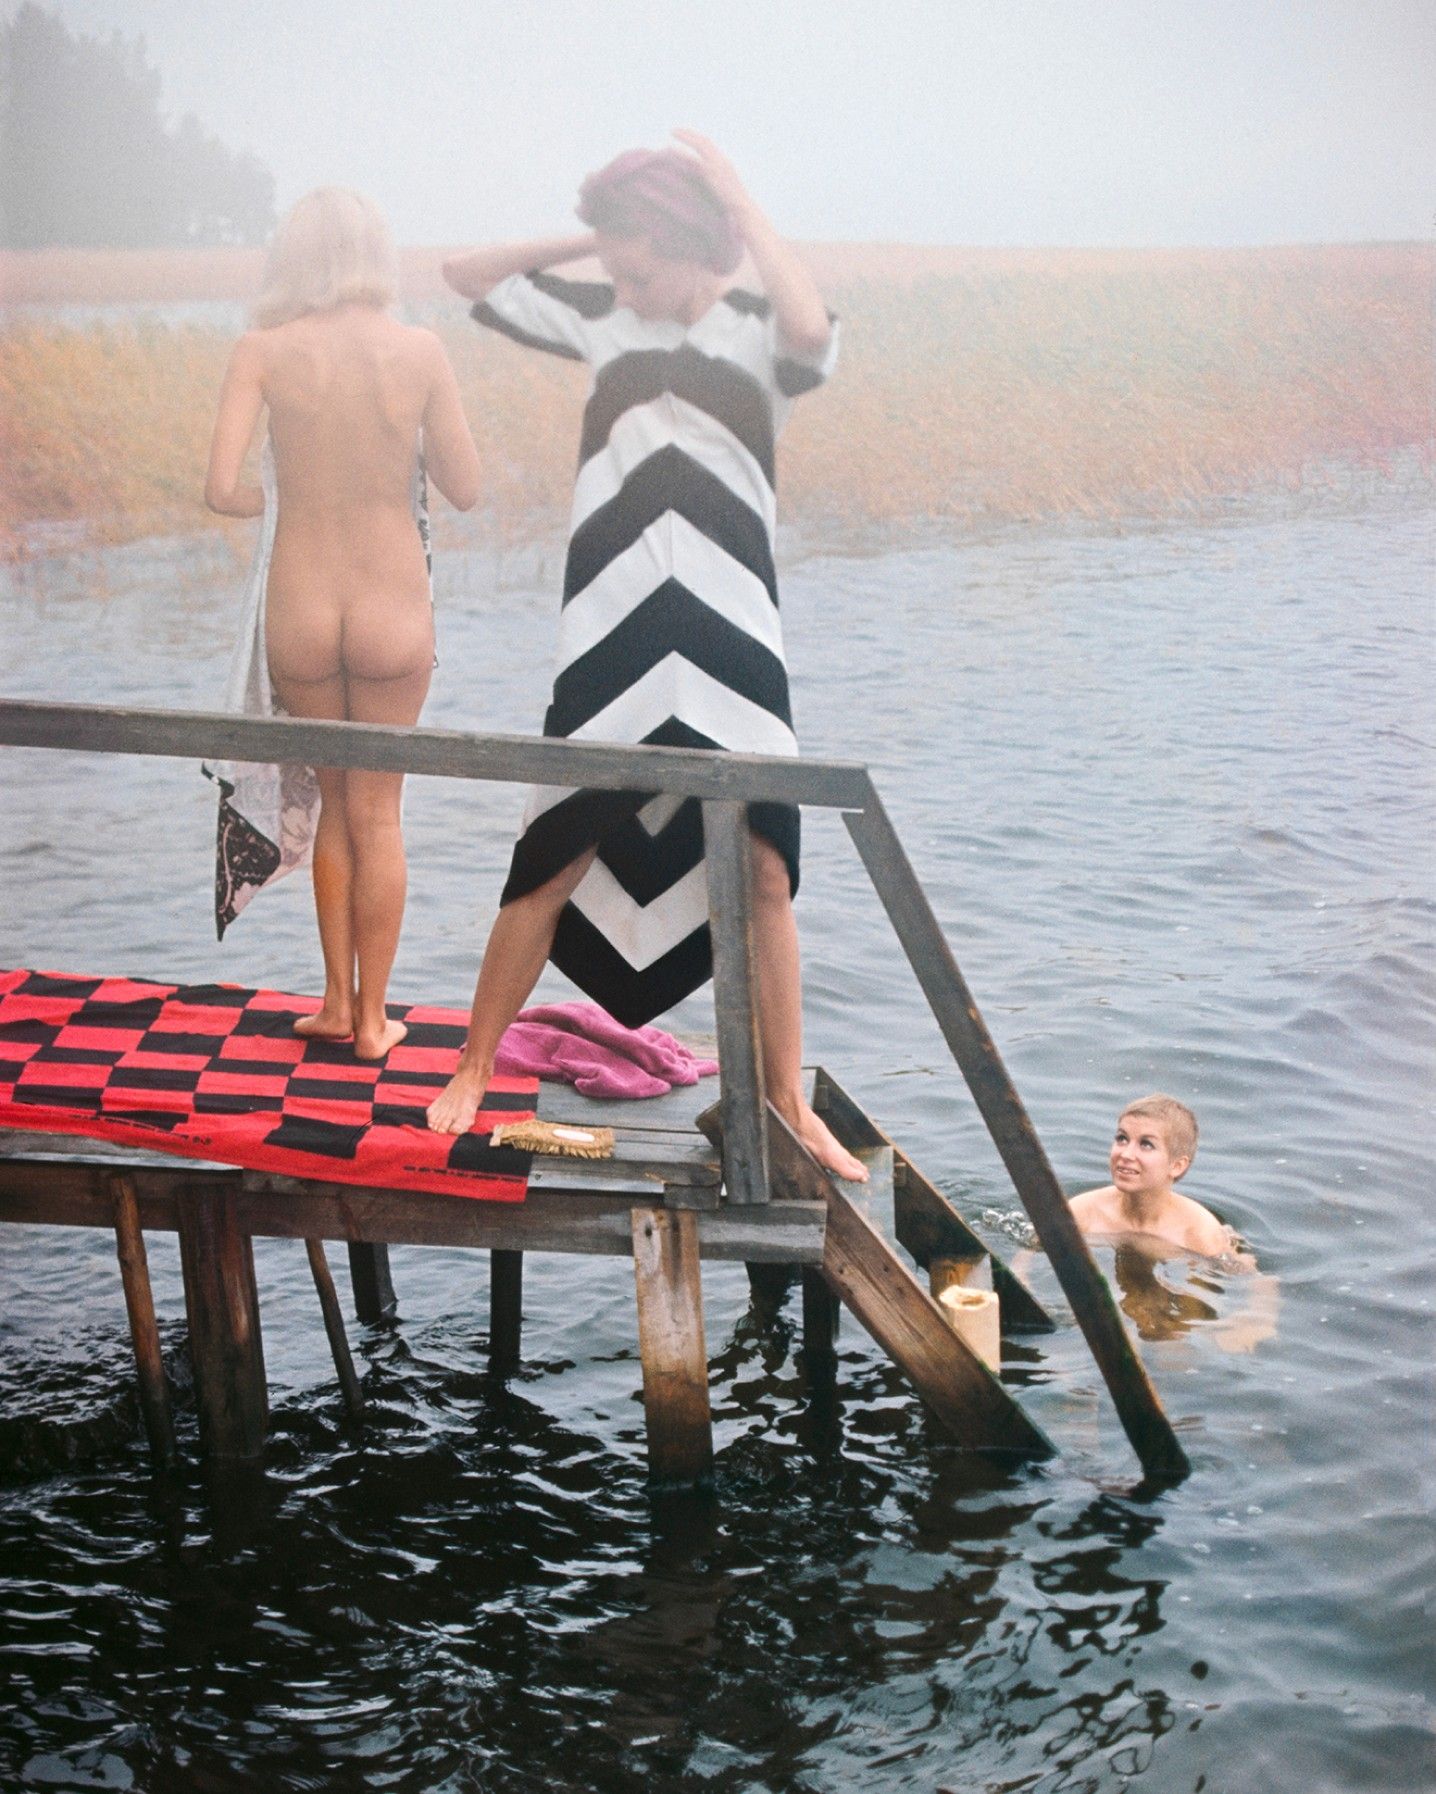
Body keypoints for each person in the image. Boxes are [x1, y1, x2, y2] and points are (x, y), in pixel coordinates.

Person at [427, 131, 866, 1181]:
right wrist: (600, 237)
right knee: (555, 844)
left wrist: (737, 203)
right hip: (610, 629)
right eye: (615, 268)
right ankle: (476, 1065)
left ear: (693, 245)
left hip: (734, 632)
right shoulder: (602, 316)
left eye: (640, 264)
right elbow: (465, 277)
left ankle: (782, 1101)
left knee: (762, 865)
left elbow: (809, 325)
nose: (623, 284)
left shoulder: (761, 331)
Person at [204, 187, 482, 1059]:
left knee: (332, 804)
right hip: (393, 607)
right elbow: (466, 487)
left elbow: (220, 490)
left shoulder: (262, 351)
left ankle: (333, 1001)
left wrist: (281, 493)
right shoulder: (420, 351)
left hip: (301, 605)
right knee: (381, 813)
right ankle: (374, 1022)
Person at [1069, 1094, 1237, 1258]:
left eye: (1146, 1144)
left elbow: (1245, 1279)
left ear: (1177, 1166)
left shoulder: (1199, 1233)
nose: (1126, 1154)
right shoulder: (1083, 1213)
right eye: (1122, 1138)